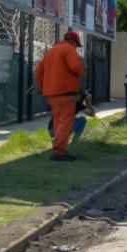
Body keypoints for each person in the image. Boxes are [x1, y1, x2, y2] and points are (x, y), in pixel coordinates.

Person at [36, 31, 85, 161]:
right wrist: (82, 68)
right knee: (65, 122)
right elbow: (75, 68)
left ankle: (57, 149)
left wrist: (42, 88)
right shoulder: (69, 50)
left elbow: (39, 71)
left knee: (58, 121)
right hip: (66, 93)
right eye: (76, 45)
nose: (76, 48)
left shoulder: (51, 51)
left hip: (51, 94)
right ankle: (60, 152)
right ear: (73, 42)